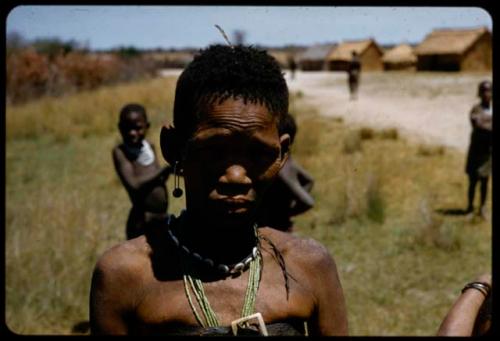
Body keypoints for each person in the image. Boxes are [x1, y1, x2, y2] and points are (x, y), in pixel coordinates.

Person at [90, 44, 348, 336]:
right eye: (214, 151)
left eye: (257, 154)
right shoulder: (124, 275)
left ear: (281, 154)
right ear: (174, 148)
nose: (236, 176)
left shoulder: (310, 267)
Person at [112, 103, 172, 239]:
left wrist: (168, 173)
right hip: (143, 220)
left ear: (147, 126)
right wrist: (163, 171)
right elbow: (134, 184)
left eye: (137, 128)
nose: (132, 133)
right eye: (127, 129)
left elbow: (157, 178)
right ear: (120, 128)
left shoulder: (149, 146)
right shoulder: (121, 152)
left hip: (161, 218)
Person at [257, 112, 315, 232]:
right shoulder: (288, 162)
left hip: (276, 231)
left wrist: (287, 213)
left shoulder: (280, 170)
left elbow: (308, 202)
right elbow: (309, 181)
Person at [464, 80, 492, 220]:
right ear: (480, 94)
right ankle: (470, 207)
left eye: (489, 91)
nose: (487, 94)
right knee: (473, 181)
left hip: (487, 152)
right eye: (484, 91)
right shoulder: (476, 110)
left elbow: (484, 125)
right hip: (476, 150)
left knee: (485, 181)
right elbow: (478, 125)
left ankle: (482, 208)